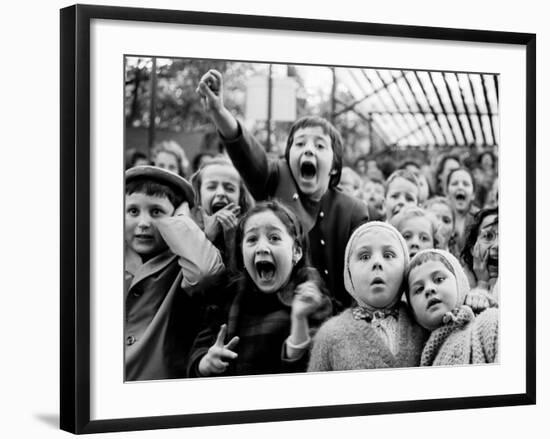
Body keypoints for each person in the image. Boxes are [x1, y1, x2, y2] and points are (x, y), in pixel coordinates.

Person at [196, 69, 369, 313]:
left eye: (319, 145)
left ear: (334, 166)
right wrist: (219, 112)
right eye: (299, 144)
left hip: (334, 320)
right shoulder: (276, 178)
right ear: (288, 158)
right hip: (276, 316)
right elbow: (248, 154)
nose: (308, 149)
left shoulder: (352, 210)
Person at [186, 201, 332, 377]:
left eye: (274, 238)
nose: (262, 248)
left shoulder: (310, 294)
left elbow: (316, 369)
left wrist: (299, 319)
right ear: (242, 254)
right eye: (252, 239)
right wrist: (205, 363)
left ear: (296, 252)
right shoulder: (228, 295)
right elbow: (199, 350)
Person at [124, 166, 224, 381]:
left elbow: (204, 272)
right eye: (133, 211)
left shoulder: (182, 262)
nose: (143, 223)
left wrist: (182, 220)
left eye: (156, 212)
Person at [307, 222, 426, 371]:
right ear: (348, 272)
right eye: (364, 257)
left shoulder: (423, 322)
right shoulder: (330, 335)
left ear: (405, 267)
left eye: (388, 255)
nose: (377, 262)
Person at [406, 249, 498, 366]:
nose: (429, 289)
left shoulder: (488, 322)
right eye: (419, 289)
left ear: (460, 285)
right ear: (412, 311)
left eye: (439, 279)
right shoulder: (414, 357)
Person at [190, 156, 253, 266]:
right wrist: (208, 238)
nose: (220, 193)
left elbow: (237, 279)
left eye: (229, 188)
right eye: (211, 187)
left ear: (240, 197)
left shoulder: (250, 233)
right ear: (199, 195)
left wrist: (231, 241)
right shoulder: (187, 229)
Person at [461, 207, 499, 308]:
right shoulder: (457, 285)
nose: (497, 245)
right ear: (472, 247)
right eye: (488, 236)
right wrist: (482, 284)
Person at [446, 167, 479, 254]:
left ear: (473, 194)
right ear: (447, 192)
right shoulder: (438, 218)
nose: (460, 187)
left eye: (466, 184)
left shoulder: (480, 219)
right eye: (454, 183)